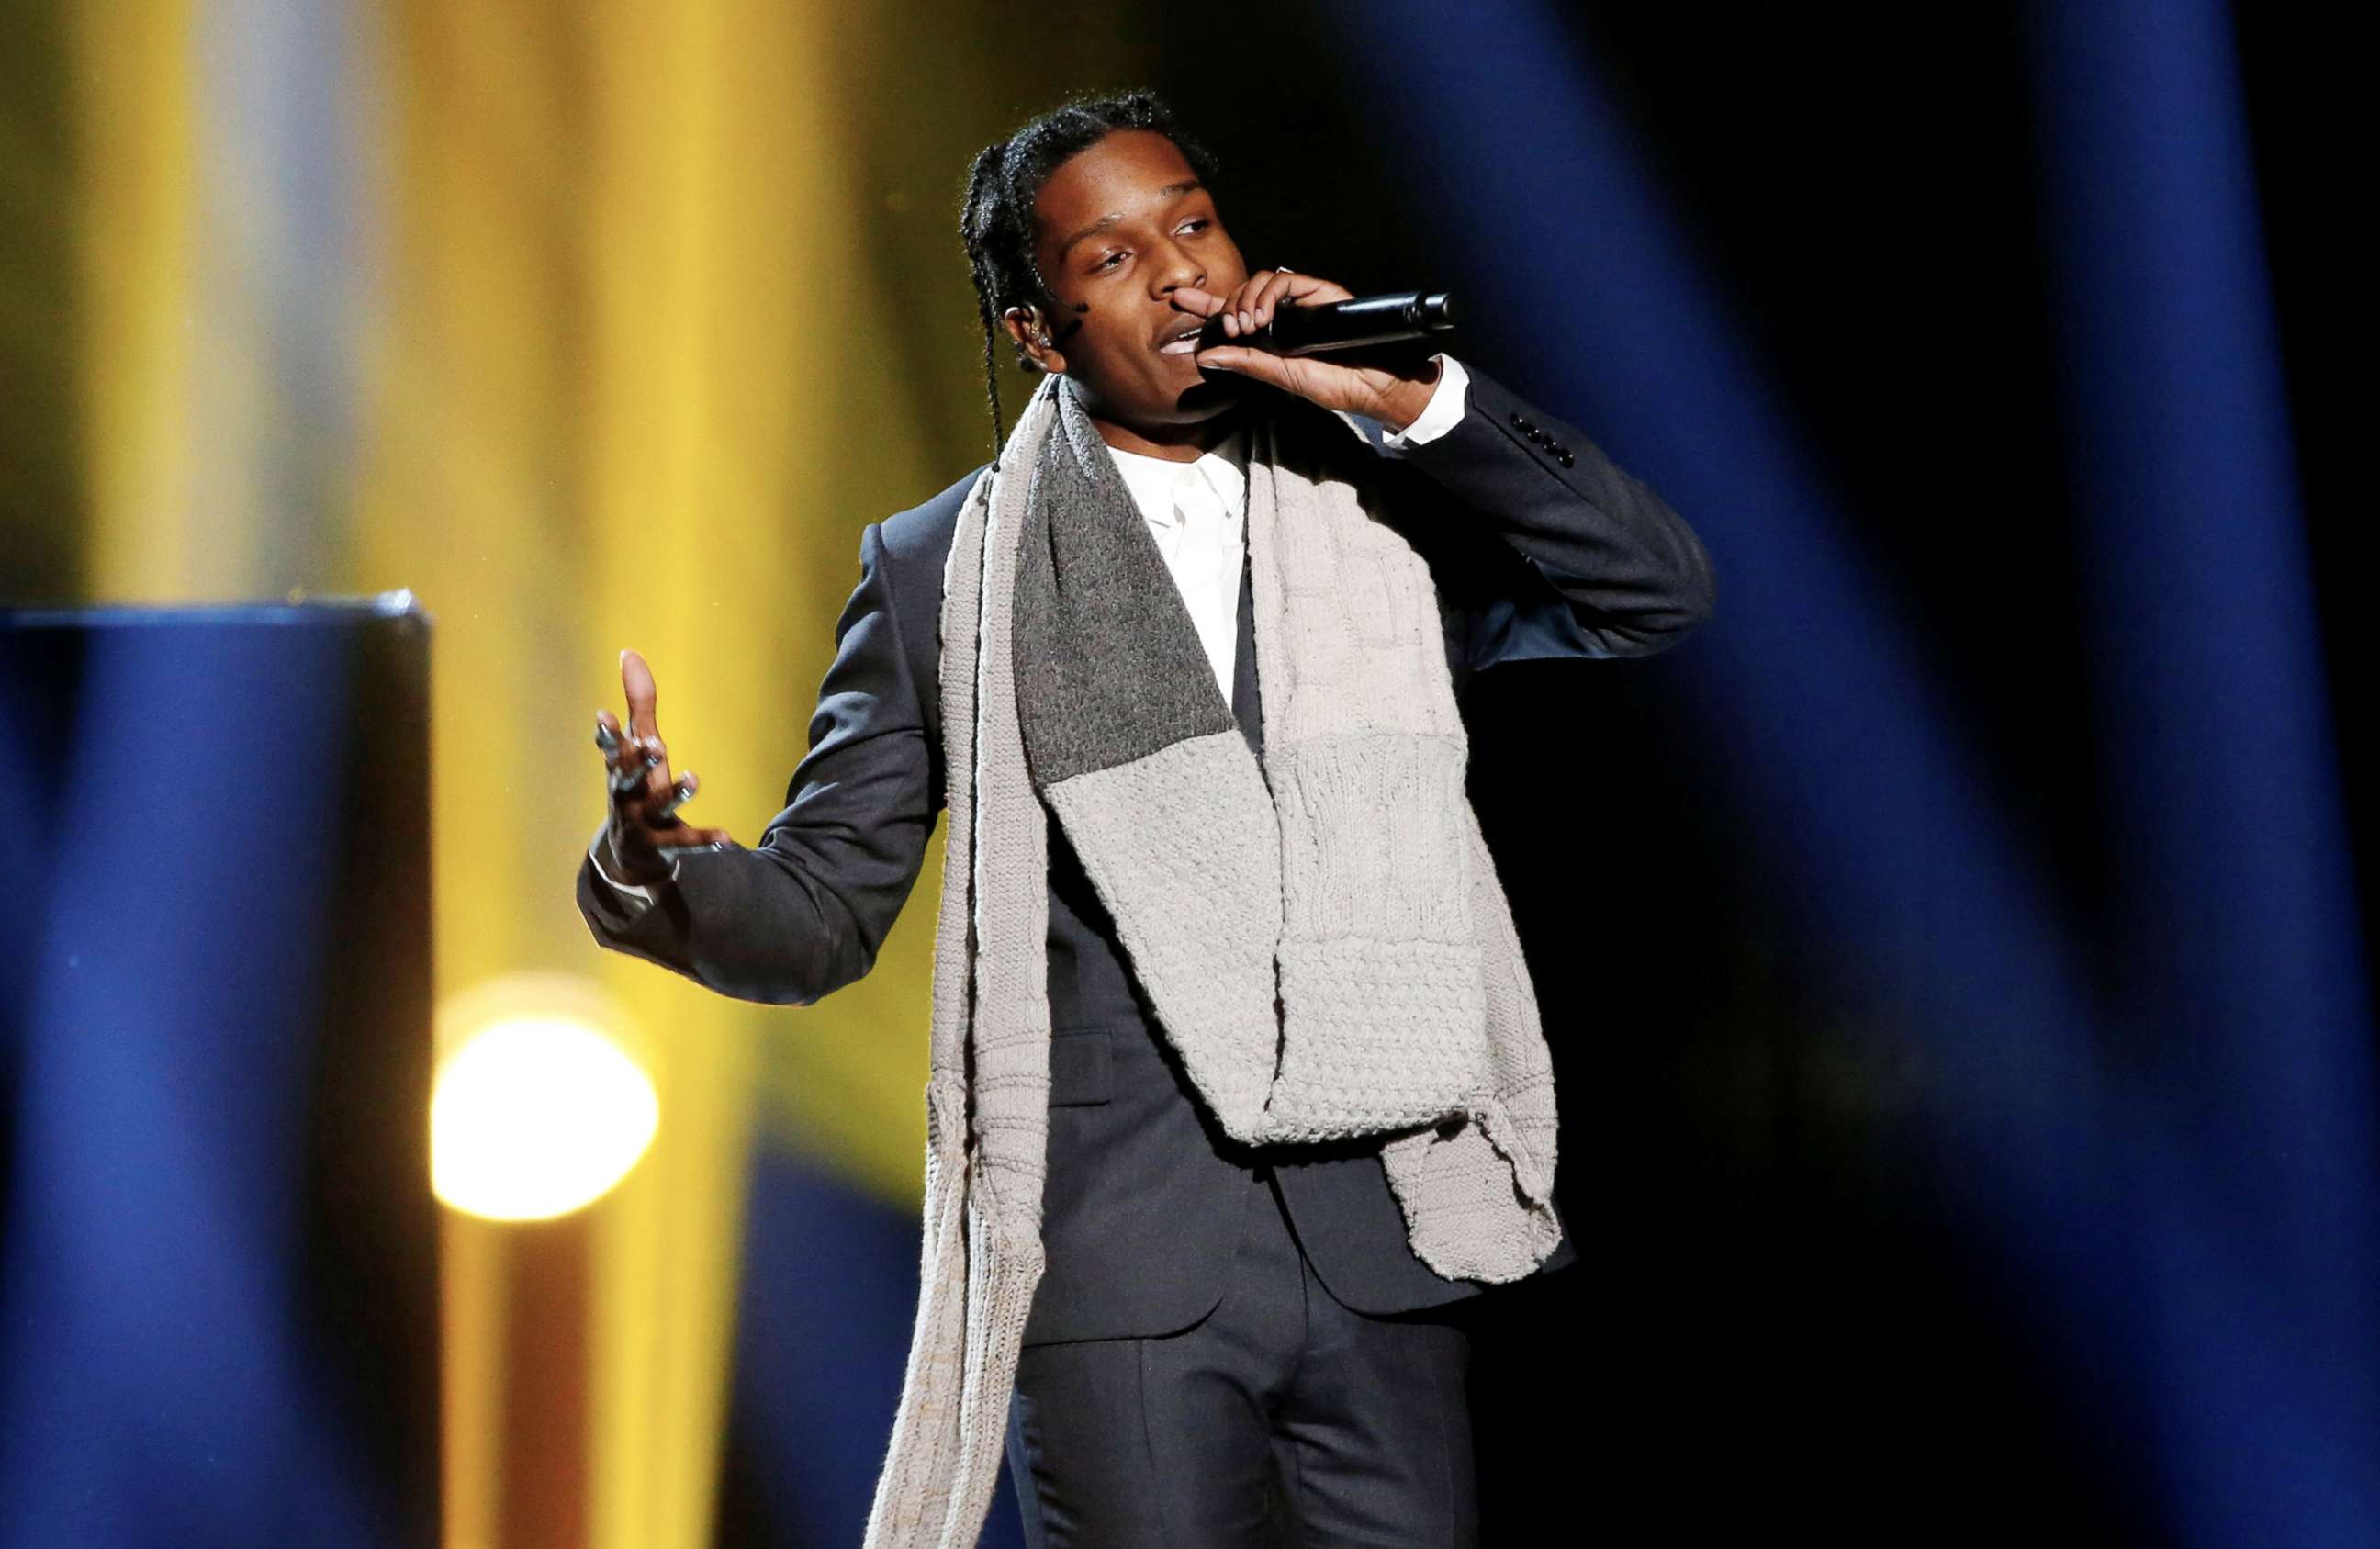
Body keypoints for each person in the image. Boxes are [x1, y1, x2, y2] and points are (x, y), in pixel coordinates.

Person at [578, 91, 1712, 1549]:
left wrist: (1418, 403)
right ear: (1038, 336)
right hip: (1126, 1269)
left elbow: (1653, 594)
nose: (1178, 273)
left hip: (1384, 1233)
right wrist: (654, 860)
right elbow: (814, 920)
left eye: (1191, 225)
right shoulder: (943, 573)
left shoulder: (1377, 511)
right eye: (1111, 259)